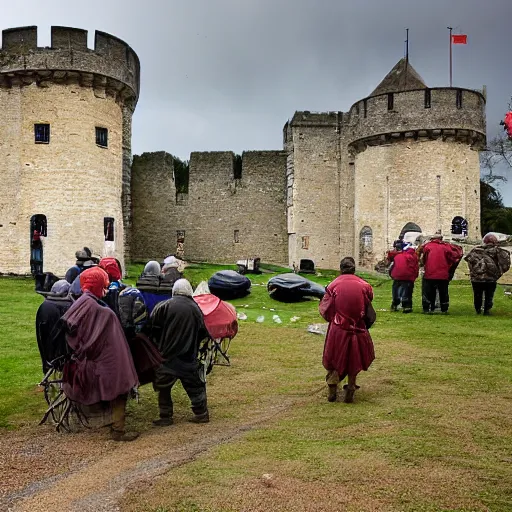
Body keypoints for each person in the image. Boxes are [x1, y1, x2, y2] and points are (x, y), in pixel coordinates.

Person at [61, 267, 139, 442]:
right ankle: (117, 430)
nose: (105, 292)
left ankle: (110, 422)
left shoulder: (81, 303)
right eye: (103, 286)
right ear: (96, 285)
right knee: (120, 388)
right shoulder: (103, 313)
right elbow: (114, 345)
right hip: (104, 363)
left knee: (114, 388)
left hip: (87, 360)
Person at [149, 279, 210, 425]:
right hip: (188, 356)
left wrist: (159, 345)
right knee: (195, 386)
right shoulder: (196, 309)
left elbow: (153, 329)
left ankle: (165, 416)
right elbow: (202, 332)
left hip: (167, 356)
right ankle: (201, 413)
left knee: (163, 387)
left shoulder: (162, 306)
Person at [319, 257, 376, 404]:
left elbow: (326, 308)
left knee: (333, 358)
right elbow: (368, 302)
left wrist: (334, 319)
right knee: (354, 358)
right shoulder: (365, 285)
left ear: (340, 269)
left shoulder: (333, 285)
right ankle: (351, 387)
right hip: (358, 327)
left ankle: (332, 388)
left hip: (338, 328)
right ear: (354, 269)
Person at [464, 233, 511, 315]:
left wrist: (473, 272)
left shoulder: (475, 250)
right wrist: (499, 272)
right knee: (489, 295)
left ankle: (478, 309)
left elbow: (469, 261)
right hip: (491, 278)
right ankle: (487, 310)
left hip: (477, 278)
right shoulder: (499, 251)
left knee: (477, 294)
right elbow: (505, 264)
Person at [35, 280, 73, 373]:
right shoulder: (70, 306)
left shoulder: (44, 306)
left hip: (48, 353)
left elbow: (41, 334)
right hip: (64, 355)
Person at [419, 233, 463, 314]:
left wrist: (424, 264)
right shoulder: (446, 246)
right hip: (443, 274)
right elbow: (453, 257)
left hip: (430, 273)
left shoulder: (428, 246)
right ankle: (444, 308)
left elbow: (424, 258)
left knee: (429, 291)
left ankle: (429, 308)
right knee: (443, 292)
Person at [388, 243, 419, 313]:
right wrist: (414, 276)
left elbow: (392, 264)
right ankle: (407, 306)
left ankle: (395, 303)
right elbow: (415, 267)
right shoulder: (413, 256)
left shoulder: (397, 256)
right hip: (408, 277)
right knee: (407, 291)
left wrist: (392, 274)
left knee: (396, 290)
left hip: (397, 275)